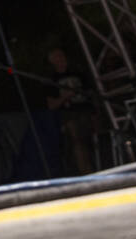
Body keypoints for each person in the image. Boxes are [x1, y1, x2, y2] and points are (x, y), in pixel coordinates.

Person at [45, 47, 95, 175]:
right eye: (56, 57)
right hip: (68, 113)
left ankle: (93, 166)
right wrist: (66, 96)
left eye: (61, 55)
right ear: (52, 61)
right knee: (76, 140)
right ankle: (85, 171)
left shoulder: (78, 73)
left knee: (89, 141)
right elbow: (51, 105)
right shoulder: (52, 79)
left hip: (86, 111)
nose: (60, 59)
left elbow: (90, 93)